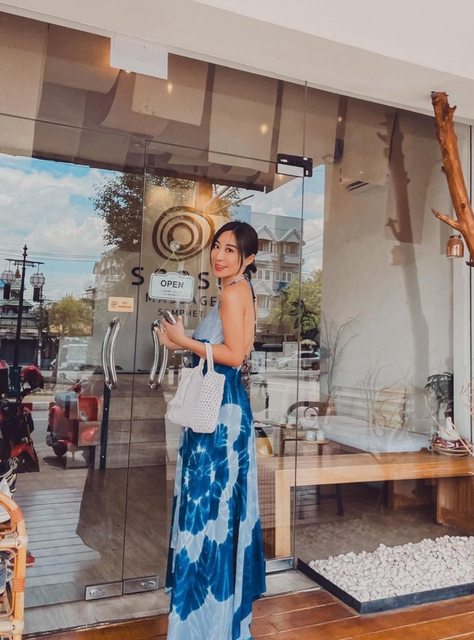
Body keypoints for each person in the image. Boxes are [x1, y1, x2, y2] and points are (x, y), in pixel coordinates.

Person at [157, 220, 266, 640]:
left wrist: (182, 341)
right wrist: (183, 342)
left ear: (248, 259)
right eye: (217, 246)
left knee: (209, 513)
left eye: (230, 250)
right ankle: (216, 621)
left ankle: (201, 624)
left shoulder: (232, 293)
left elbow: (234, 354)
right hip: (226, 409)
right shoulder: (242, 290)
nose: (218, 256)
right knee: (220, 512)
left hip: (218, 414)